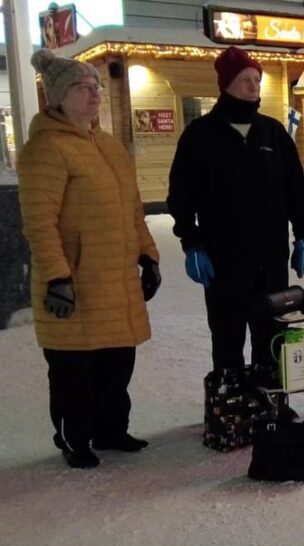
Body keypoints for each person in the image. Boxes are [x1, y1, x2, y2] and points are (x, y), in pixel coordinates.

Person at [18, 49, 161, 469]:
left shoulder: (109, 146)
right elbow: (39, 222)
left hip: (116, 281)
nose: (94, 93)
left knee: (117, 363)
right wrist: (56, 277)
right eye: (83, 87)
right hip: (76, 282)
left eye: (96, 86)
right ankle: (74, 439)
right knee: (73, 371)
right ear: (58, 97)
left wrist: (148, 256)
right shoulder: (45, 148)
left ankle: (112, 429)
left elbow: (133, 210)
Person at [167, 46, 304, 420]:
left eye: (256, 80)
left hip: (271, 258)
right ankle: (231, 408)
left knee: (271, 336)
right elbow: (181, 195)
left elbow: (295, 190)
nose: (253, 86)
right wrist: (192, 242)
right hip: (224, 260)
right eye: (245, 80)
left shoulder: (273, 133)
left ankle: (272, 404)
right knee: (228, 336)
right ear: (226, 85)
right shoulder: (201, 135)